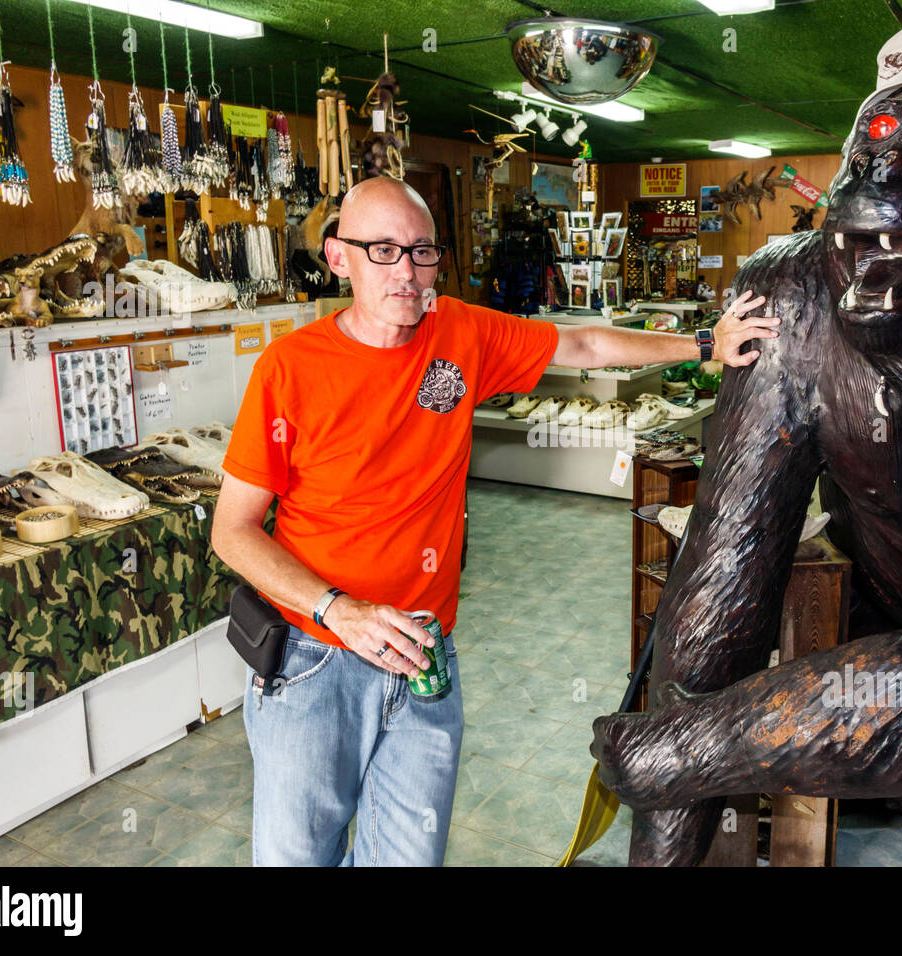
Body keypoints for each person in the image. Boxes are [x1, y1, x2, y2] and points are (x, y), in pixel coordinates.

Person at [209, 175, 779, 866]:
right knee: (300, 857)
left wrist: (703, 346)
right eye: (383, 250)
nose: (407, 271)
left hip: (423, 655)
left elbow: (584, 349)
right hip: (313, 660)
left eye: (422, 251)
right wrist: (340, 611)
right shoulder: (290, 370)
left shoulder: (460, 330)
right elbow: (232, 530)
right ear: (338, 259)